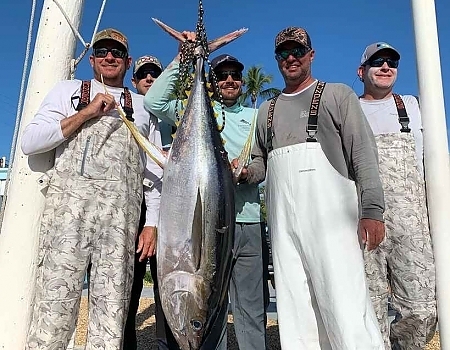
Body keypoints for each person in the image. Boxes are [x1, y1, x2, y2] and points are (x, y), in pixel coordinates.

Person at [233, 26, 386, 349]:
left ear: (311, 55)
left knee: (344, 300)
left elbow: (364, 156)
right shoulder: (266, 111)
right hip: (284, 225)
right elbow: (262, 166)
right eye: (283, 53)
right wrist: (245, 172)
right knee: (294, 304)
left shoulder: (337, 95)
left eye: (297, 51)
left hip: (334, 223)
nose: (291, 58)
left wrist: (372, 210)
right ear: (276, 60)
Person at [21, 28, 163, 350]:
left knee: (112, 314)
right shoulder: (67, 91)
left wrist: (151, 223)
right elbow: (31, 142)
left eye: (116, 52)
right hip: (67, 218)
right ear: (91, 59)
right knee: (54, 307)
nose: (109, 57)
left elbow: (153, 170)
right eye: (102, 51)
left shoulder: (142, 106)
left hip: (120, 221)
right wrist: (85, 113)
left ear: (127, 62)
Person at [144, 36, 270, 350]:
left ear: (241, 81)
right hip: (203, 228)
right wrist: (185, 59)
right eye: (221, 74)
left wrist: (246, 173)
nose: (229, 80)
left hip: (247, 223)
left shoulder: (254, 118)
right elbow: (154, 102)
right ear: (212, 80)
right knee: (211, 301)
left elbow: (262, 163)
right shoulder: (192, 111)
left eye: (235, 75)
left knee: (250, 307)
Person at [357, 42, 437, 349]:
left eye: (391, 62)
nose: (386, 66)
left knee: (422, 308)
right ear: (361, 71)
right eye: (377, 62)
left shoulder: (414, 106)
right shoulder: (349, 110)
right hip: (364, 220)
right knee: (370, 305)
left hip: (413, 225)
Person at [124, 55, 180, 350]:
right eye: (143, 74)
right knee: (129, 284)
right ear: (134, 81)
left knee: (168, 282)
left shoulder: (177, 114)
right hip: (137, 205)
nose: (149, 78)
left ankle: (167, 343)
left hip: (173, 208)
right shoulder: (129, 109)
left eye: (155, 74)